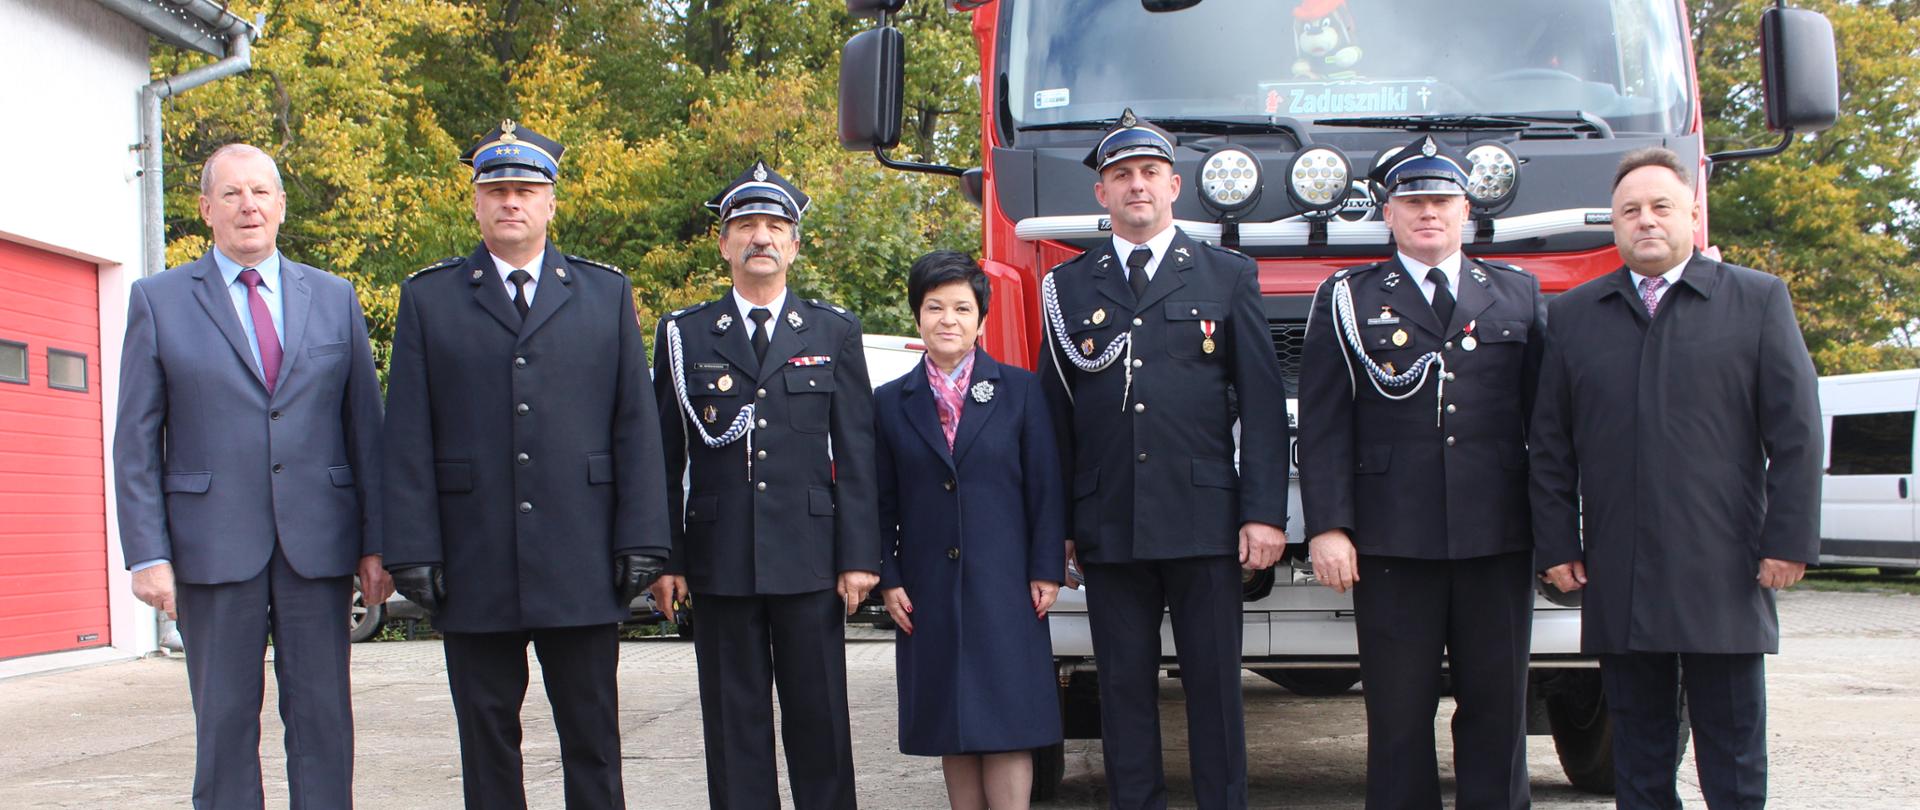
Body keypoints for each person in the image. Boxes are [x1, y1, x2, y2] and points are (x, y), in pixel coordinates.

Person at [380, 120, 671, 810]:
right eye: (497, 190)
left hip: (582, 554)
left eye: (526, 190)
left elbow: (635, 425)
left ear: (551, 203)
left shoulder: (603, 294)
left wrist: (643, 539)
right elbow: (408, 434)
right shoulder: (430, 297)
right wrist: (412, 549)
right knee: (486, 741)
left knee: (593, 738)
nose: (512, 201)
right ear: (475, 203)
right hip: (473, 556)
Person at [1529, 147, 1823, 809]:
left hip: (1728, 566)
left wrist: (1790, 540)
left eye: (1662, 206)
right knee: (1639, 745)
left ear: (1693, 213)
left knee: (1733, 744)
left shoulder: (1756, 302)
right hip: (1620, 570)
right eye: (1630, 211)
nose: (1647, 221)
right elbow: (1550, 448)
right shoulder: (1575, 317)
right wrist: (1558, 546)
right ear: (1614, 225)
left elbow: (1798, 435)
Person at [113, 143, 388, 809]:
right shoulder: (159, 300)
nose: (248, 206)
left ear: (282, 205)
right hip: (212, 547)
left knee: (323, 722)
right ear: (205, 209)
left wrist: (378, 543)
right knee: (225, 725)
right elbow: (136, 440)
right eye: (232, 194)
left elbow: (366, 431)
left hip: (317, 546)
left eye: (261, 192)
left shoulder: (333, 297)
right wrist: (148, 554)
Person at [1036, 109, 1292, 809]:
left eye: (1149, 173)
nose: (1136, 186)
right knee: (1121, 693)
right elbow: (1056, 417)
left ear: (1174, 186)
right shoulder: (1067, 288)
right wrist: (1057, 527)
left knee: (1214, 691)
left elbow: (1264, 407)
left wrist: (1265, 514)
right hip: (1109, 524)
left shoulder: (1226, 274)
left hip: (1206, 521)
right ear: (1102, 194)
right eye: (1121, 176)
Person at [1297, 135, 1546, 809]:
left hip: (1497, 538)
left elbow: (1545, 427)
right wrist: (1329, 527)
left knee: (1497, 710)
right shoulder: (1348, 297)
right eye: (1412, 202)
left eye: (1441, 200)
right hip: (1390, 542)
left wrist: (1555, 535)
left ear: (1466, 210)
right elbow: (1323, 425)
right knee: (1399, 716)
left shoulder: (1518, 295)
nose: (1427, 213)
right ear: (1388, 214)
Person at [648, 160, 881, 810]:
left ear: (795, 244)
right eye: (746, 224)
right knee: (734, 728)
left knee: (821, 724)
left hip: (810, 561)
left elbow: (857, 449)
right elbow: (661, 456)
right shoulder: (683, 334)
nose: (761, 237)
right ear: (724, 243)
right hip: (721, 563)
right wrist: (667, 558)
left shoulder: (833, 331)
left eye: (775, 226)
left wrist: (861, 556)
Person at [874, 251, 1066, 810]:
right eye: (935, 307)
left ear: (982, 319)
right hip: (927, 587)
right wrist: (889, 575)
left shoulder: (1021, 391)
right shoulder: (890, 403)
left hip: (1007, 584)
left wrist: (1045, 569)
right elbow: (879, 501)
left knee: (1006, 722)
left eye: (963, 307)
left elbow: (1045, 488)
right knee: (950, 723)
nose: (949, 319)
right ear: (917, 316)